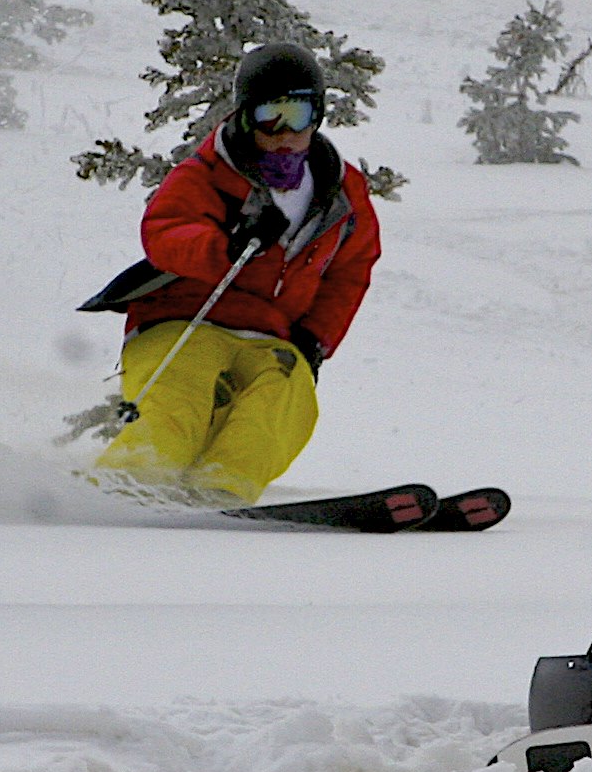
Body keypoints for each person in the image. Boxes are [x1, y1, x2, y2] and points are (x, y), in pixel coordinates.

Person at [85, 45, 381, 503]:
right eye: (269, 117)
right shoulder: (207, 174)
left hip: (270, 335)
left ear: (317, 116)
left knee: (282, 400)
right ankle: (128, 483)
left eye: (298, 115)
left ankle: (223, 489)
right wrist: (225, 247)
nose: (284, 134)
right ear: (245, 117)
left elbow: (351, 270)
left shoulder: (341, 195)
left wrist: (314, 338)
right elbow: (165, 231)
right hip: (185, 320)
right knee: (179, 398)